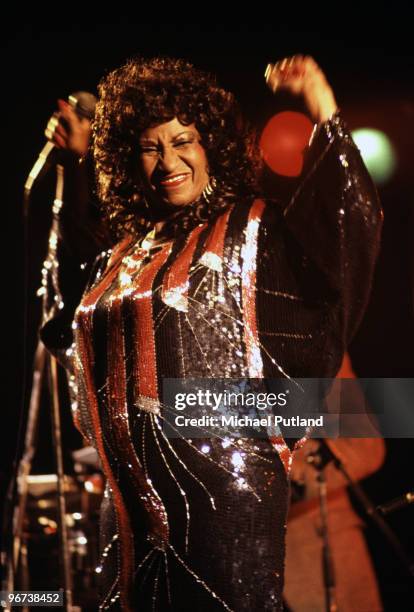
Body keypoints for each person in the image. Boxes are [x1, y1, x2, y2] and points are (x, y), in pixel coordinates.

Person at [39, 55, 383, 611]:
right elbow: (66, 314)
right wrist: (78, 165)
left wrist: (322, 105)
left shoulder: (253, 237)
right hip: (129, 520)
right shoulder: (124, 255)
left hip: (232, 511)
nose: (168, 160)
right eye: (150, 146)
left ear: (210, 146)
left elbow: (343, 230)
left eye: (183, 141)